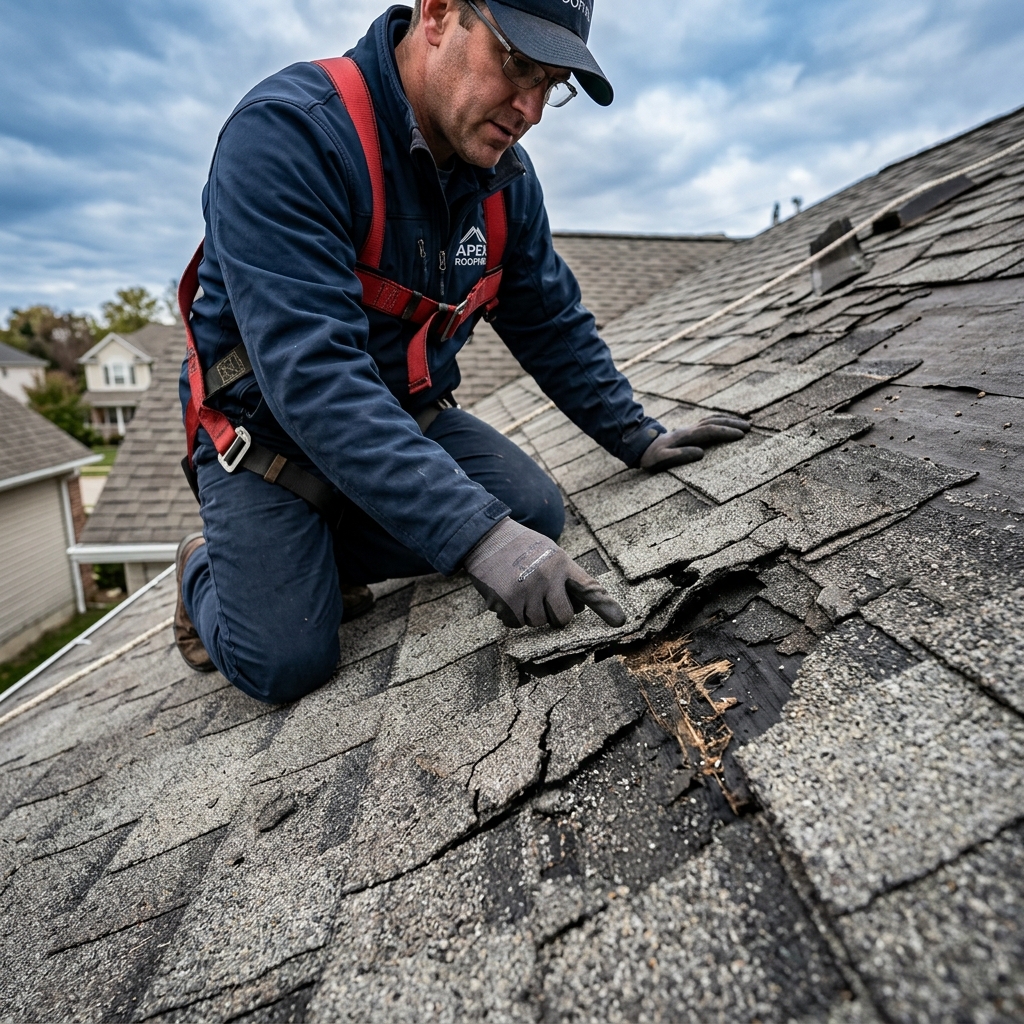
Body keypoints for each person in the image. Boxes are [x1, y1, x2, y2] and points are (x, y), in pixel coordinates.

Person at [175, 0, 750, 703]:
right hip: (267, 448)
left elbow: (549, 318)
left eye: (552, 85)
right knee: (286, 659)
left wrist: (634, 433)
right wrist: (476, 538)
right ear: (440, 13)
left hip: (401, 421)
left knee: (532, 511)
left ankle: (316, 555)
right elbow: (313, 377)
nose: (531, 108)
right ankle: (206, 569)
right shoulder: (292, 135)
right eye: (518, 66)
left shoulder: (505, 181)